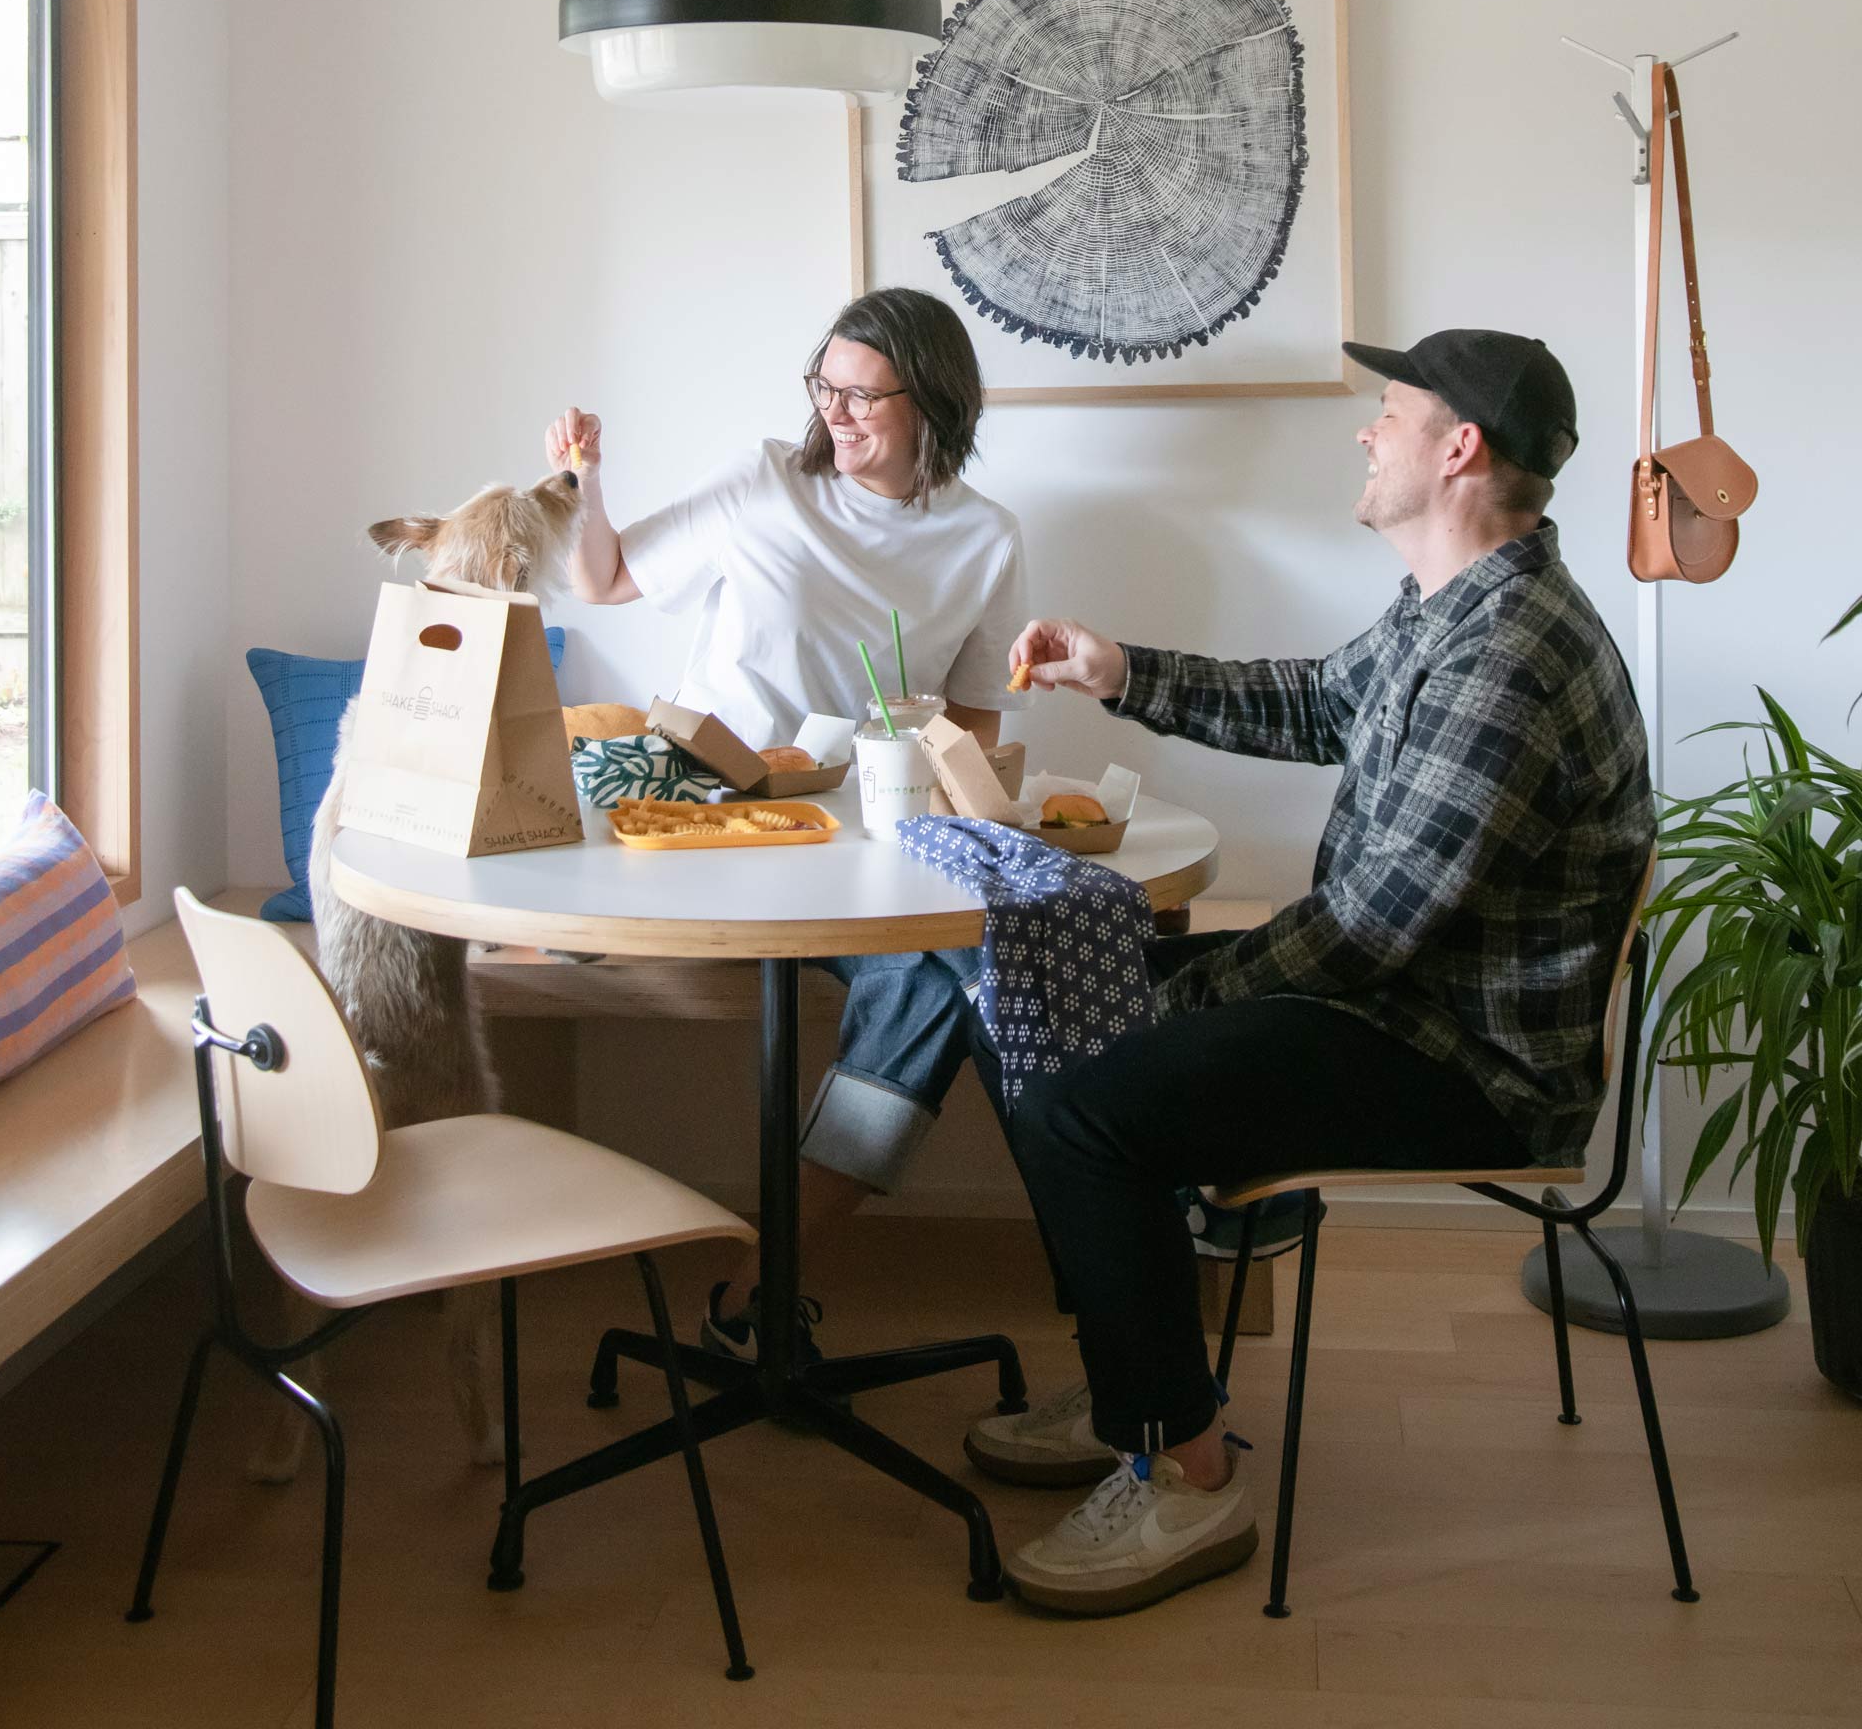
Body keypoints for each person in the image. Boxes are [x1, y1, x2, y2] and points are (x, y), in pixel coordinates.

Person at [969, 329, 1653, 1617]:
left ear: (1459, 449)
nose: (1366, 430)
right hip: (1392, 1003)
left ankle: (1185, 1467)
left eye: (1388, 411)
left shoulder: (1512, 653)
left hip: (1465, 1059)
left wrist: (1174, 999)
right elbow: (1313, 703)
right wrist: (1119, 671)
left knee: (1087, 1093)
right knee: (1056, 1008)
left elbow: (1374, 927)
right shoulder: (1451, 608)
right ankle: (1142, 1386)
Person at [543, 286, 1029, 1355]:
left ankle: (767, 1275)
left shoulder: (985, 539)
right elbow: (606, 579)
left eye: (865, 396)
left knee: (962, 969)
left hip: (872, 848)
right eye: (826, 389)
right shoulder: (766, 484)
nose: (837, 414)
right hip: (719, 830)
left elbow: (976, 731)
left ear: (934, 402)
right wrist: (585, 480)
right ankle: (1121, 1219)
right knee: (968, 978)